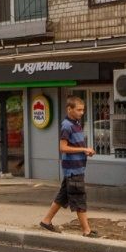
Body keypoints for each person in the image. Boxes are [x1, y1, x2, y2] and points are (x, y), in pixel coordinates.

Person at [38, 95, 96, 238]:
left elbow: (74, 145)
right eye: (79, 110)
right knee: (79, 198)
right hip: (73, 170)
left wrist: (85, 151)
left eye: (83, 110)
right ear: (69, 109)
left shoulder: (76, 123)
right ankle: (86, 231)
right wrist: (84, 149)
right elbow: (63, 148)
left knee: (62, 196)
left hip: (76, 168)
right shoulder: (67, 126)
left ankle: (46, 221)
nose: (82, 112)